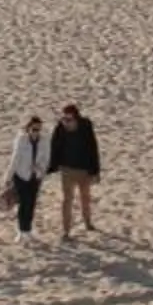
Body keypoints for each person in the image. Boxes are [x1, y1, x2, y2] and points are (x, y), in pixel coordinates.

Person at [48, 102, 101, 238]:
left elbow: (92, 148)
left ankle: (88, 223)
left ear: (76, 118)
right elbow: (54, 147)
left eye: (69, 119)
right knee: (67, 200)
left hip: (84, 170)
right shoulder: (60, 128)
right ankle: (66, 230)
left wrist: (95, 171)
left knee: (85, 198)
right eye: (65, 119)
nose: (67, 122)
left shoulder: (85, 126)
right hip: (67, 170)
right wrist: (51, 166)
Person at [6, 113, 48, 237]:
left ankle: (28, 230)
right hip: (21, 175)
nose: (36, 132)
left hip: (35, 176)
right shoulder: (21, 140)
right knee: (23, 203)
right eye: (34, 129)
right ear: (28, 129)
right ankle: (21, 230)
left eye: (39, 130)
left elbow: (45, 159)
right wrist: (8, 177)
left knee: (31, 203)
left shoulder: (44, 141)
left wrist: (39, 169)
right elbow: (15, 159)